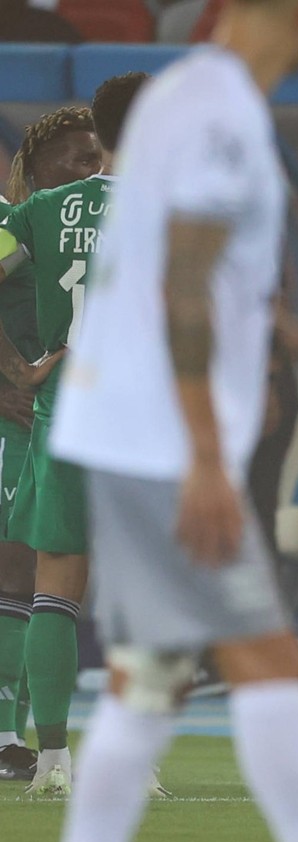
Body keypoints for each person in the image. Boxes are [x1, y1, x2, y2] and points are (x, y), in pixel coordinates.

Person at [45, 0, 298, 842]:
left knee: (146, 683)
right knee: (271, 662)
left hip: (125, 429)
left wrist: (296, 340)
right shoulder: (222, 114)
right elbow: (182, 286)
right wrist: (209, 459)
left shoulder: (184, 96)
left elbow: (185, 262)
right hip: (165, 442)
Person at [0, 76, 148, 798]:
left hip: (64, 408)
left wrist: (18, 369)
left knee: (53, 588)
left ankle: (50, 758)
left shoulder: (45, 209)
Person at [0, 105, 102, 784]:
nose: (89, 172)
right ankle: (9, 735)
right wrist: (10, 376)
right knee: (17, 568)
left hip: (59, 414)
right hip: (20, 413)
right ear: (34, 167)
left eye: (96, 159)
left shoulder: (81, 228)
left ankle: (23, 738)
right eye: (75, 159)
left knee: (39, 577)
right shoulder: (18, 222)